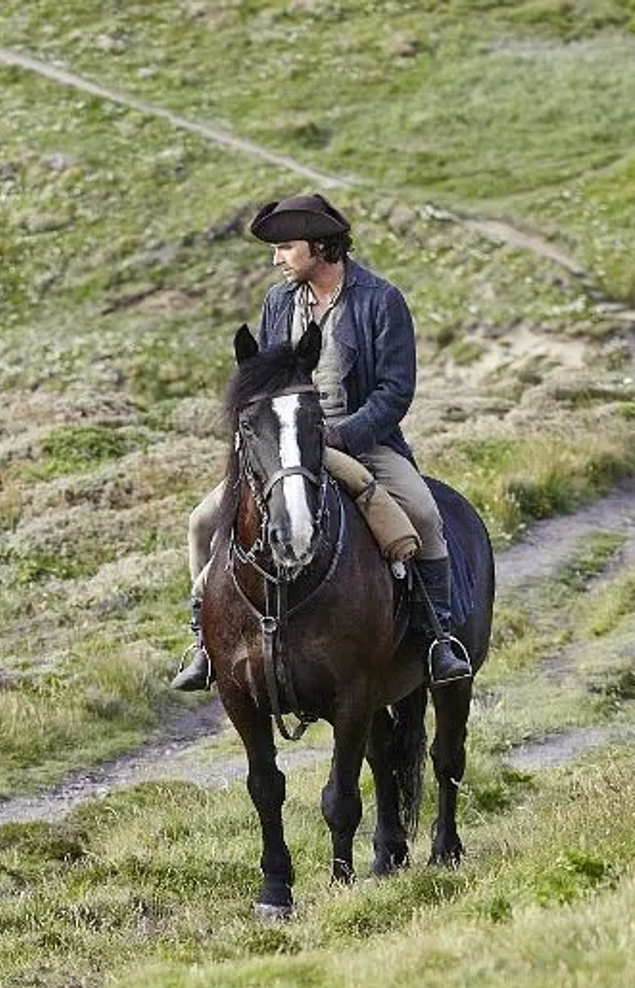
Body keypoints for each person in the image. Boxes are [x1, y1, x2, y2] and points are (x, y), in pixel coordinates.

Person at [171, 192, 472, 691]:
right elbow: (267, 384)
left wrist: (341, 433)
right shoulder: (278, 302)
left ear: (320, 246)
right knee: (201, 521)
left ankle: (438, 638)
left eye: (286, 247)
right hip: (288, 441)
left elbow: (396, 391)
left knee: (422, 515)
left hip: (360, 442)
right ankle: (203, 645)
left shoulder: (381, 301)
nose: (276, 259)